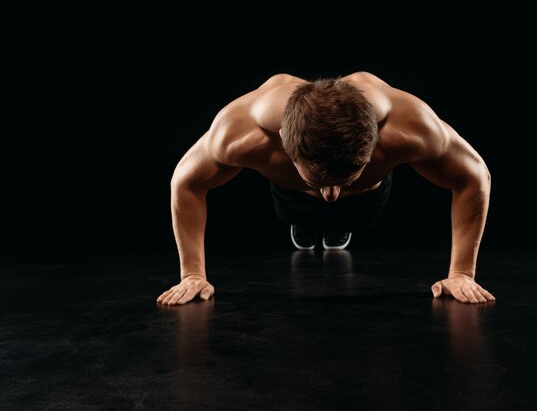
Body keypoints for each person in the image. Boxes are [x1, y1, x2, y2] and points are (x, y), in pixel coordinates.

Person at [156, 72, 496, 306]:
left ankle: (341, 207)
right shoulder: (242, 132)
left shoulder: (411, 127)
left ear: (374, 145)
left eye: (341, 182)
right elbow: (185, 182)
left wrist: (461, 273)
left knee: (356, 217)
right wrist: (192, 274)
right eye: (318, 183)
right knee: (297, 208)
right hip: (293, 195)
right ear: (286, 150)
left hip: (365, 197)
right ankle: (304, 212)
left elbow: (474, 176)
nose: (330, 195)